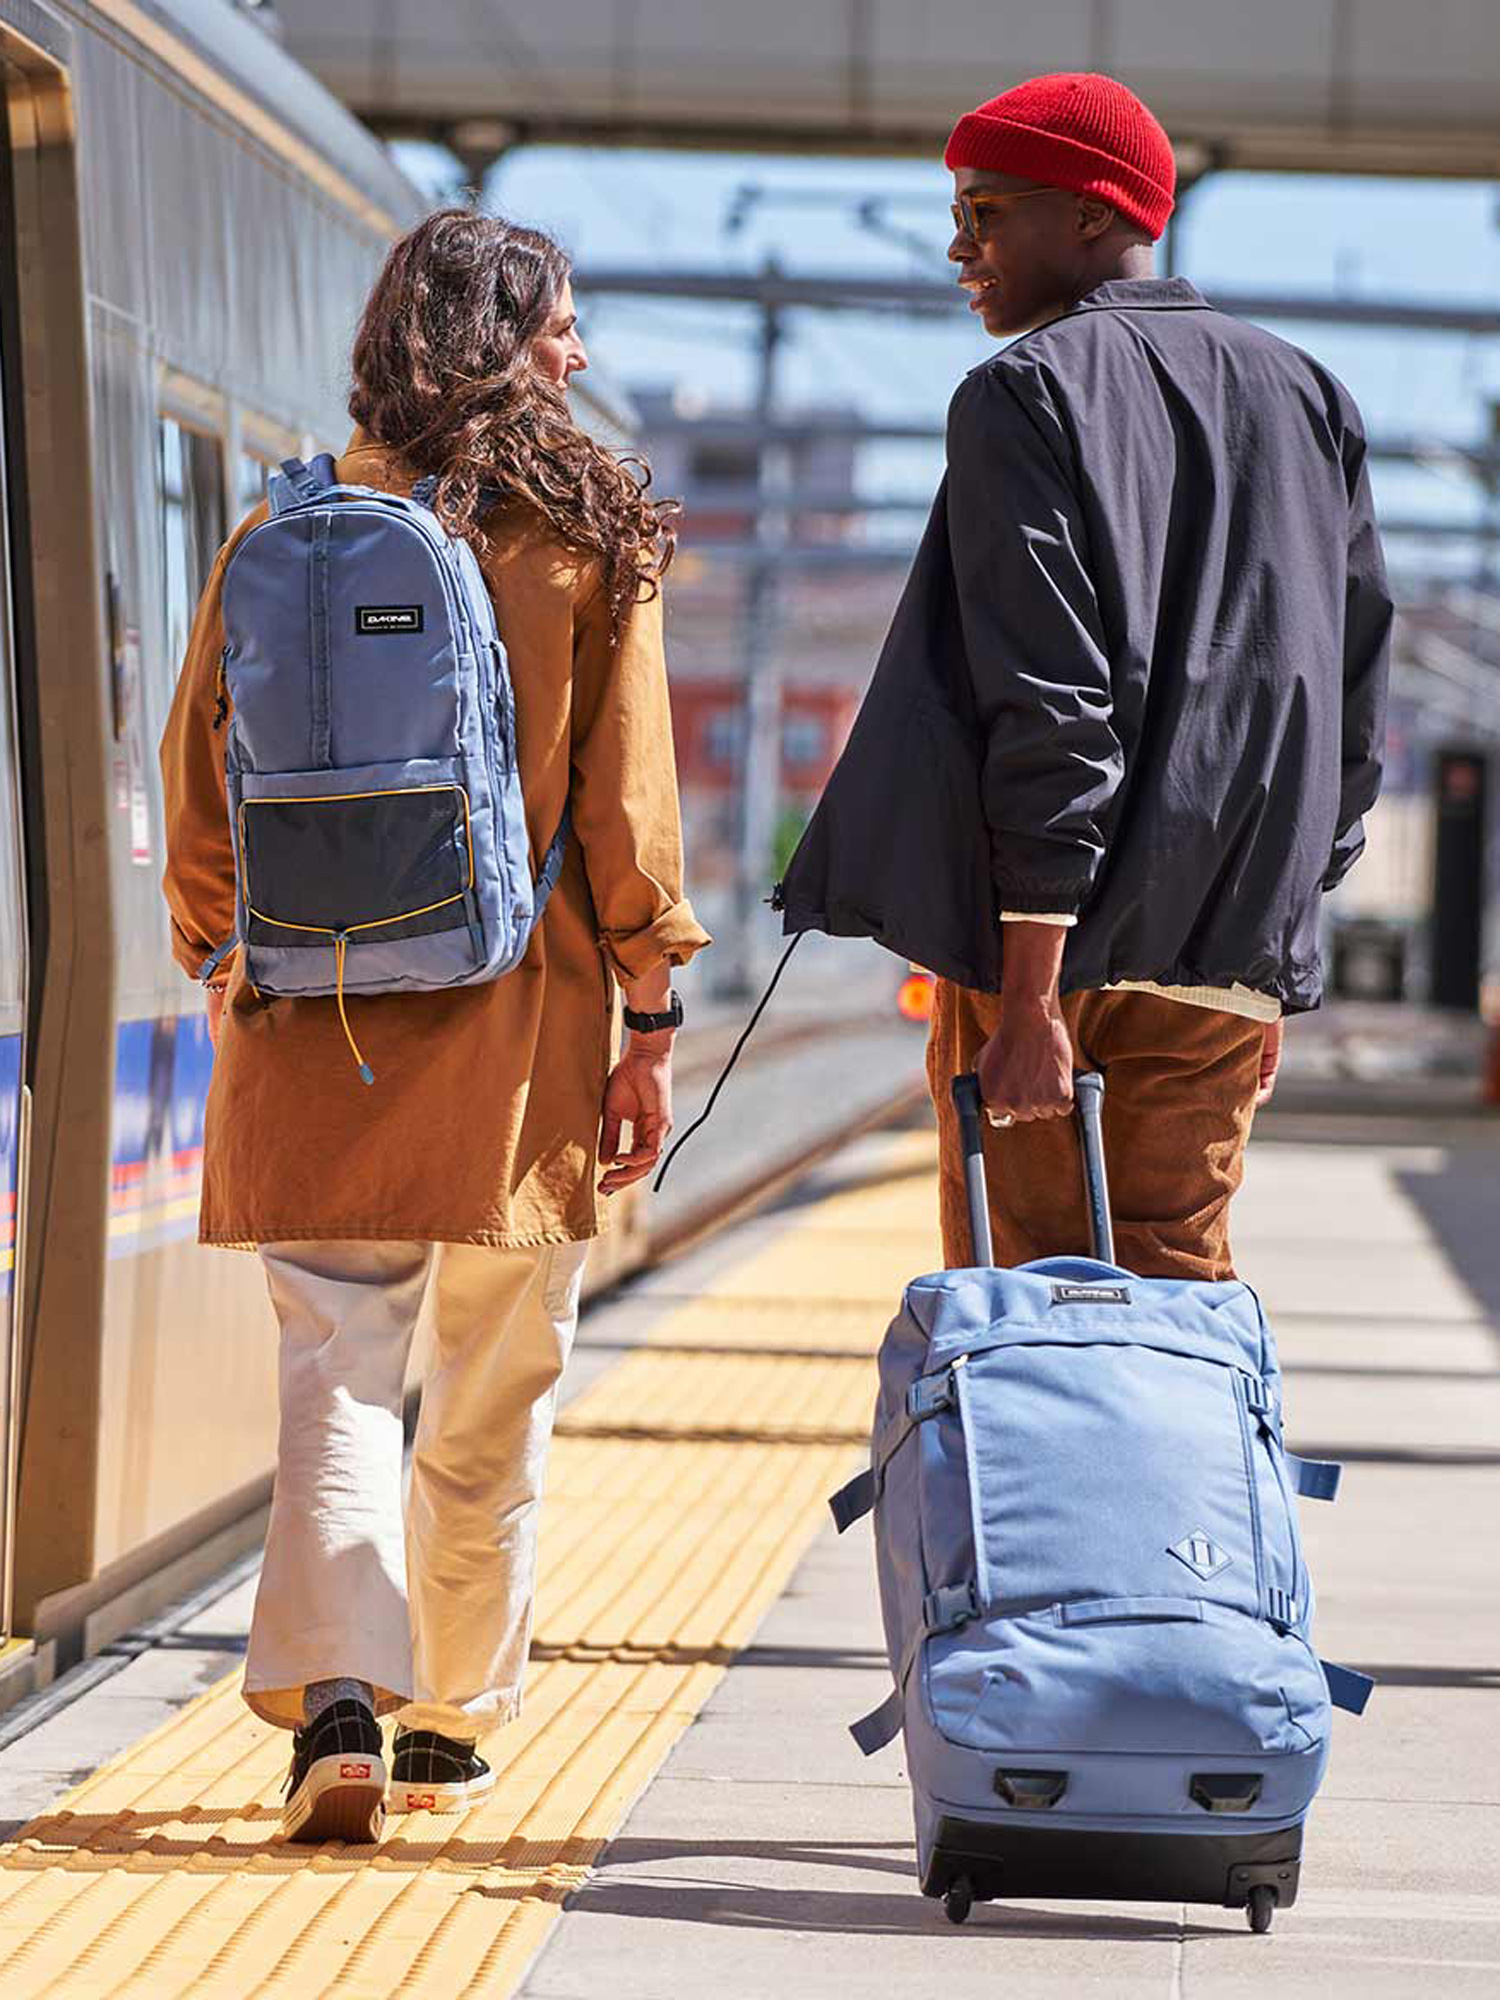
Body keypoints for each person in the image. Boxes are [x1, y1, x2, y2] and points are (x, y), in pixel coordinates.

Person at [161, 210, 710, 1842]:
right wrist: (652, 1015)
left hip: (311, 1020)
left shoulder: (301, 524)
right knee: (491, 1378)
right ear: (501, 338)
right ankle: (451, 1720)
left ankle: (337, 1700)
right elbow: (631, 810)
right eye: (561, 325)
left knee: (337, 1369)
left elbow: (204, 779)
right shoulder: (585, 538)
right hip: (518, 1029)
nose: (582, 354)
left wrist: (221, 951)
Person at [778, 72, 1391, 1281]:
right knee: (1179, 1297)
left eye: (989, 211)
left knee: (1038, 1317)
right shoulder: (1313, 396)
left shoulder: (1028, 390)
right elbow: (1348, 702)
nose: (959, 246)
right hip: (1223, 959)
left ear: (1098, 213)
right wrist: (1269, 953)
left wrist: (1028, 1001)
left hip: (1057, 964)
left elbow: (1052, 698)